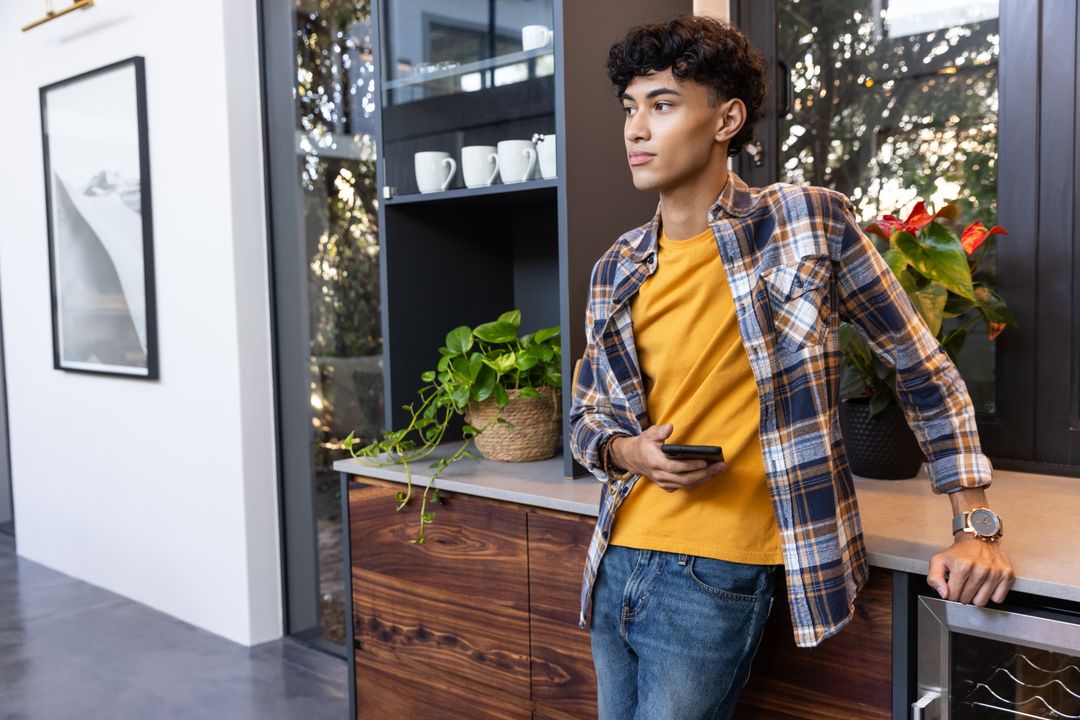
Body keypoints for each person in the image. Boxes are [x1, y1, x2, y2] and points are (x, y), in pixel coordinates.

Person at [568, 14, 1015, 720]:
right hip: (616, 558)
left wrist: (974, 526)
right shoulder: (615, 268)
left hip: (717, 571)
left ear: (727, 119)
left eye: (662, 105)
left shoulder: (807, 221)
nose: (635, 129)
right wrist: (630, 450)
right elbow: (587, 420)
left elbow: (922, 369)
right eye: (630, 108)